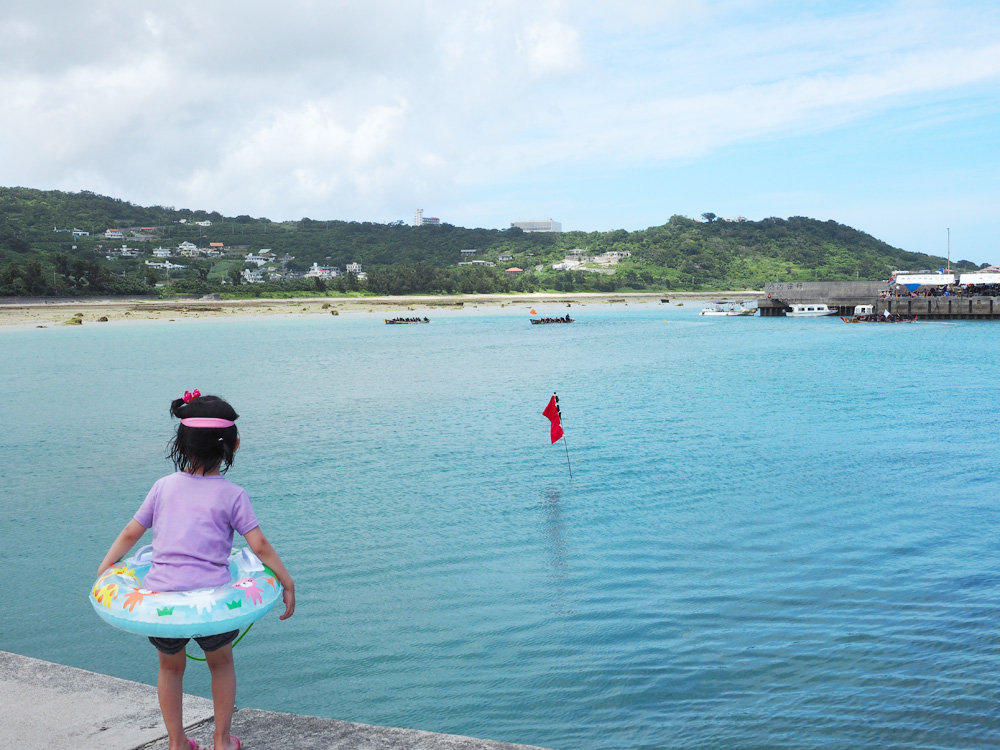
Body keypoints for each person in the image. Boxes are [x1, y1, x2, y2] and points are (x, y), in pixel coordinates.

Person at [97, 392, 295, 750]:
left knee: (170, 668)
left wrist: (105, 567)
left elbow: (131, 532)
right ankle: (221, 740)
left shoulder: (163, 486)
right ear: (233, 445)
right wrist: (286, 580)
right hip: (213, 604)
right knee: (220, 664)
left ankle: (176, 742)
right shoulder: (233, 495)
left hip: (162, 599)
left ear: (181, 443)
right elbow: (260, 546)